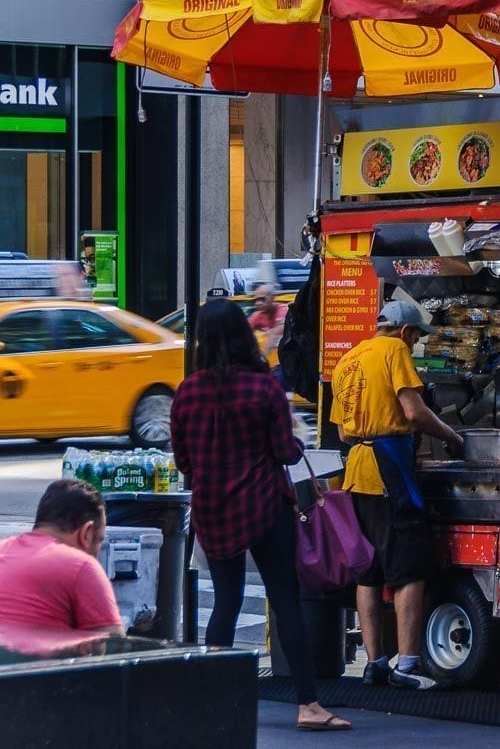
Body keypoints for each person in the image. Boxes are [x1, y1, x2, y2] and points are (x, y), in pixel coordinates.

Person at [170, 299, 350, 732]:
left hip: (213, 510)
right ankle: (308, 705)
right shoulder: (263, 387)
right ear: (241, 336)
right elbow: (286, 451)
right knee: (285, 599)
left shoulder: (186, 394)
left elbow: (183, 463)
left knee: (226, 602)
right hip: (265, 506)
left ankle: (214, 703)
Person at [330, 300, 465, 690]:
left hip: (356, 471)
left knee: (369, 572)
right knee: (409, 570)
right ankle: (407, 664)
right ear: (405, 332)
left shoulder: (349, 359)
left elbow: (341, 433)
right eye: (418, 335)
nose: (417, 342)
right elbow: (413, 412)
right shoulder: (394, 351)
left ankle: (376, 663)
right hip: (388, 473)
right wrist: (453, 437)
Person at [0, 479, 123, 656]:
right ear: (86, 532)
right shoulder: (81, 566)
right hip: (35, 680)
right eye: (99, 540)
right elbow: (115, 651)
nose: (98, 550)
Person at [248, 282, 288, 355]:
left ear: (272, 298)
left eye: (262, 299)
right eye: (256, 300)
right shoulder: (257, 315)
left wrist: (263, 359)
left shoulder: (283, 309)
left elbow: (275, 333)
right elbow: (244, 332)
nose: (258, 303)